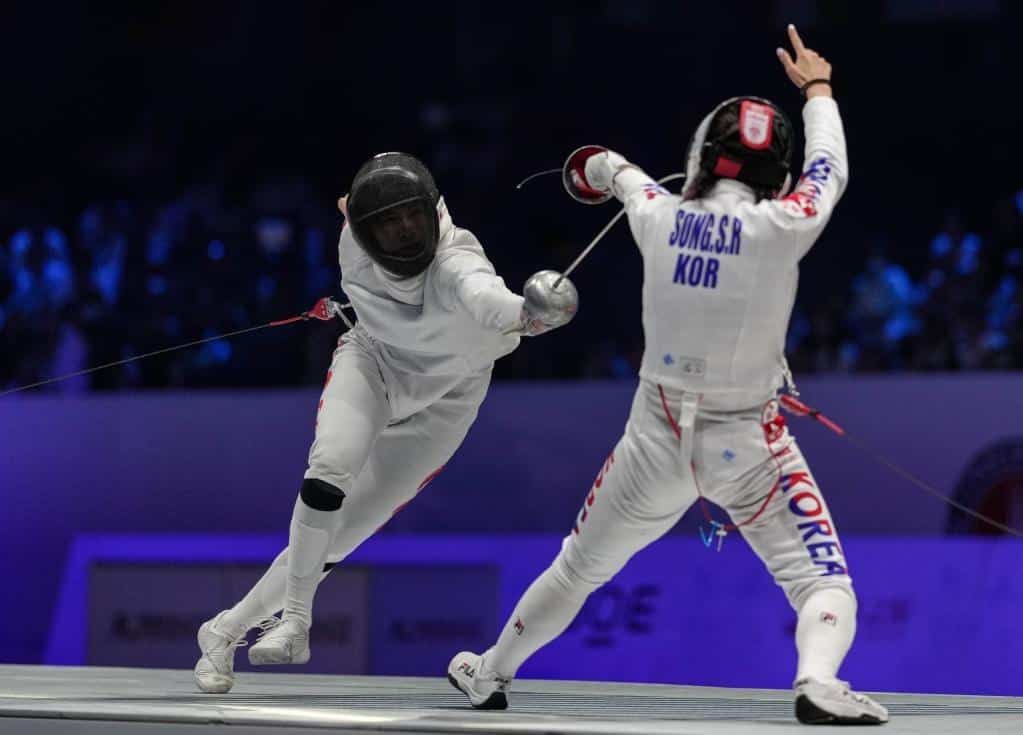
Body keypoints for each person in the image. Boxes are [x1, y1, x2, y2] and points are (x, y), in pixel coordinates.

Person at [448, 26, 888, 725]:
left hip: (653, 441)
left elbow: (611, 169)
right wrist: (818, 89)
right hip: (747, 444)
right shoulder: (785, 223)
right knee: (821, 582)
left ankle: (490, 670)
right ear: (773, 173)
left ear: (702, 156)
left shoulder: (659, 214)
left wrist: (584, 173)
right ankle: (816, 679)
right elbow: (828, 167)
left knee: (577, 568)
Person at [193, 152, 577, 693]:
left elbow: (487, 298)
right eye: (388, 221)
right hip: (373, 361)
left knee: (342, 535)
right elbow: (352, 205)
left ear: (432, 209)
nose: (404, 230)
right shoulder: (352, 237)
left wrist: (529, 315)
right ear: (362, 228)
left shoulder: (457, 262)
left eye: (412, 215)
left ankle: (225, 630)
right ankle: (296, 621)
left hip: (447, 398)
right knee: (330, 466)